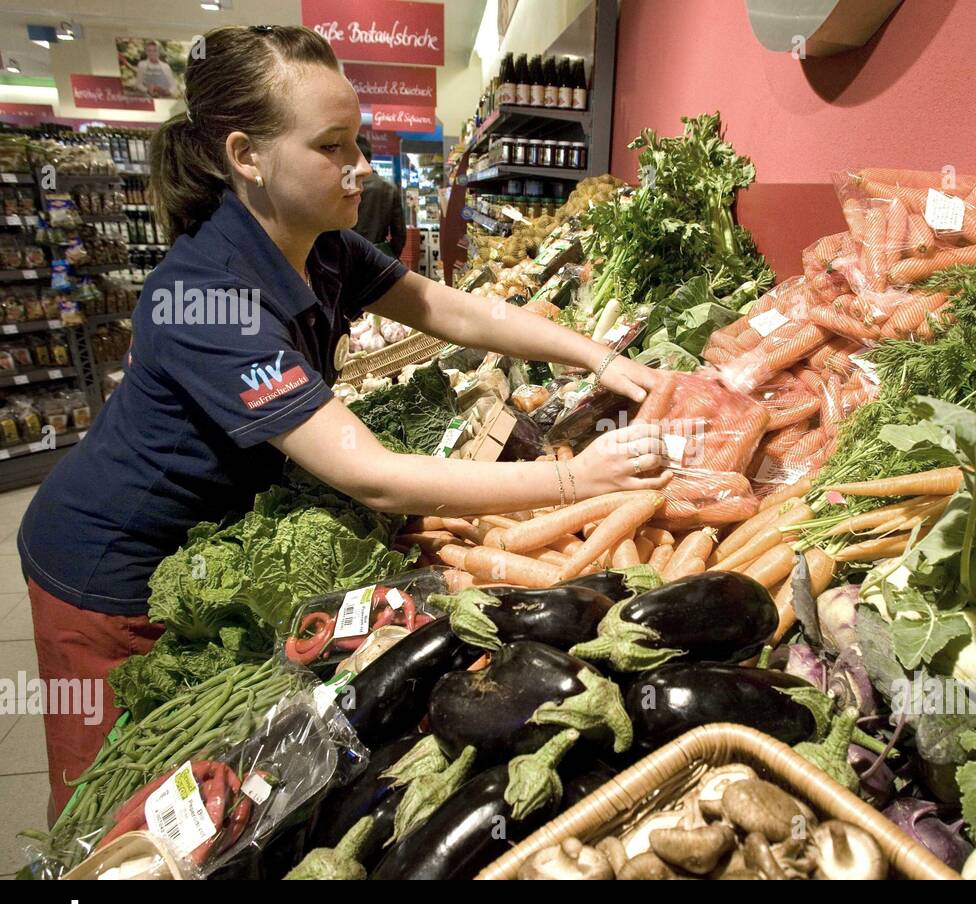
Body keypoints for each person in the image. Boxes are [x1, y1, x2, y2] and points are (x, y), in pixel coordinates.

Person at [19, 24, 671, 821]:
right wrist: (577, 478)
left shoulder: (323, 244)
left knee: (201, 798)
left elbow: (446, 307)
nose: (359, 165)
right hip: (107, 570)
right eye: (331, 146)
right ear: (245, 156)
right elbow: (370, 472)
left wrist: (598, 357)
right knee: (115, 808)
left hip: (202, 551)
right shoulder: (204, 297)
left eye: (357, 138)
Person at [351, 134, 406, 258]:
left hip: (344, 261)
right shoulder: (388, 188)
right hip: (377, 256)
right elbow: (399, 233)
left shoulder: (342, 186)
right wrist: (388, 256)